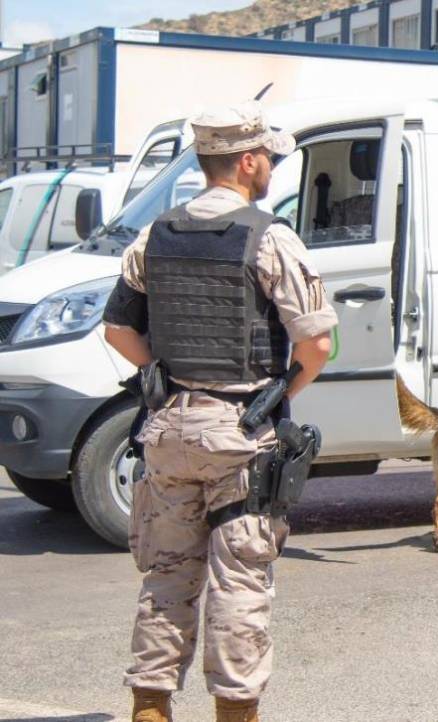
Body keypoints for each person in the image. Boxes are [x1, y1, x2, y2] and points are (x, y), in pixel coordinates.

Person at [102, 102, 337, 721]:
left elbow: (117, 330)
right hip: (239, 435)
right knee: (239, 583)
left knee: (166, 579)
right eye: (271, 160)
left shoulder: (154, 235)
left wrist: (162, 377)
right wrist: (279, 394)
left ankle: (150, 710)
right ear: (249, 160)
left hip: (169, 428)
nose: (272, 170)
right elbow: (316, 343)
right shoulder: (269, 236)